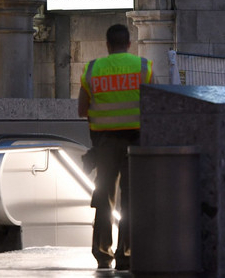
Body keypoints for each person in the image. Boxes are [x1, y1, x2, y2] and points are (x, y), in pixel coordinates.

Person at [77, 24, 153, 271]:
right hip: (136, 140)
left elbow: (81, 110)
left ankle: (102, 254)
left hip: (104, 143)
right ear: (129, 44)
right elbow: (154, 106)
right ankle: (126, 255)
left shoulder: (92, 69)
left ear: (107, 45)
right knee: (131, 199)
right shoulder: (143, 67)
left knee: (104, 198)